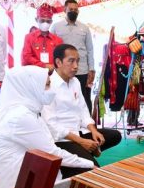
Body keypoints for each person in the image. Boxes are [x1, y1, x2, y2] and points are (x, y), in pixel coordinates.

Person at [0, 66, 94, 188]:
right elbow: (52, 153)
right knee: (87, 172)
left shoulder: (27, 111)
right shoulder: (20, 117)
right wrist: (89, 164)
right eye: (46, 85)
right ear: (30, 86)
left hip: (29, 175)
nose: (50, 90)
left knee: (82, 169)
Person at [41, 44, 121, 176]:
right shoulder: (48, 84)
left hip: (79, 132)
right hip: (62, 140)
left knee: (114, 136)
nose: (76, 66)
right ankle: (74, 159)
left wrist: (93, 131)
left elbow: (83, 110)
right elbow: (51, 126)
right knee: (93, 171)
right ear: (58, 62)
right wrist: (81, 142)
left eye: (77, 61)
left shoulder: (75, 82)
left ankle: (85, 151)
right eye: (71, 61)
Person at [50, 0, 95, 113]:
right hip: (64, 71)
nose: (73, 11)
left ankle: (86, 128)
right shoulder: (56, 27)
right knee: (65, 99)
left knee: (84, 99)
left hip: (82, 70)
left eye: (76, 10)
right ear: (65, 10)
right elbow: (52, 49)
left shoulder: (84, 28)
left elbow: (90, 49)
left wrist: (91, 69)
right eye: (71, 9)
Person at [21, 3, 62, 73]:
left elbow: (60, 60)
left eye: (48, 21)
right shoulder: (29, 37)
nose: (45, 23)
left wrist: (53, 67)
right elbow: (26, 58)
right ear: (36, 19)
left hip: (52, 75)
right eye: (42, 20)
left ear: (51, 22)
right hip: (33, 75)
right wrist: (44, 66)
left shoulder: (58, 40)